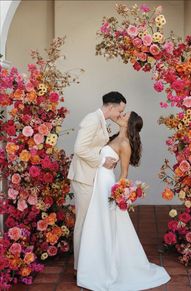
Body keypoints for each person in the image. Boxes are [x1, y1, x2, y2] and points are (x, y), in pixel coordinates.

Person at [77, 111, 171, 290]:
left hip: (106, 185)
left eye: (125, 116)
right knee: (97, 221)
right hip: (98, 181)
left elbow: (124, 174)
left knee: (107, 223)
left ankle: (110, 265)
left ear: (130, 124)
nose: (121, 116)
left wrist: (120, 194)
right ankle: (96, 263)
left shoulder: (125, 143)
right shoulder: (113, 136)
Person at [67, 91, 126, 276]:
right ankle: (79, 268)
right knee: (83, 222)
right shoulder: (92, 119)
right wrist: (102, 161)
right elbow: (79, 149)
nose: (120, 114)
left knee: (89, 222)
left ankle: (87, 264)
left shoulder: (101, 120)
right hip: (83, 177)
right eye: (120, 110)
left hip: (91, 176)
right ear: (111, 106)